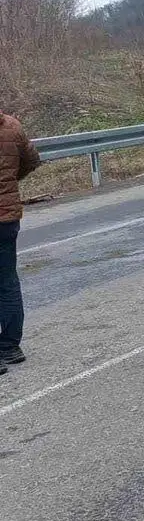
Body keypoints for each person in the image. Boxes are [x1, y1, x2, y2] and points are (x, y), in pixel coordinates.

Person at [0, 110, 41, 373]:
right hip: (6, 218)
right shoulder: (12, 126)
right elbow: (32, 160)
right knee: (7, 281)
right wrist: (10, 181)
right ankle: (10, 347)